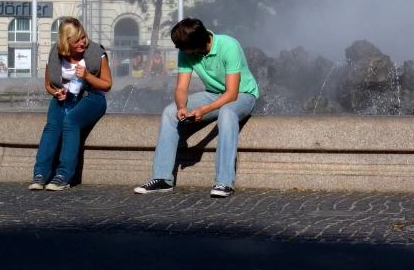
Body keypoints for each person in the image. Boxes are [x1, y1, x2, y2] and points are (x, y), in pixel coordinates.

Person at [134, 18, 258, 198]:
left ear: (195, 44)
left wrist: (203, 111)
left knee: (227, 112)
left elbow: (231, 94)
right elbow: (181, 89)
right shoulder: (186, 52)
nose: (178, 49)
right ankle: (161, 178)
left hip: (242, 94)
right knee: (170, 112)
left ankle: (224, 182)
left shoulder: (229, 46)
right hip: (213, 93)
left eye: (181, 46)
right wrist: (182, 106)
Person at [29, 18, 112, 191]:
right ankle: (40, 174)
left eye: (83, 38)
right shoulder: (55, 54)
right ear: (66, 42)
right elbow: (48, 85)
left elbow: (107, 85)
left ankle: (64, 175)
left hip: (92, 97)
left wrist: (87, 76)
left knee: (71, 121)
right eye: (76, 40)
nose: (82, 43)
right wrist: (57, 93)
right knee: (52, 126)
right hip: (66, 97)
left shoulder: (97, 53)